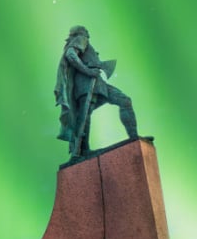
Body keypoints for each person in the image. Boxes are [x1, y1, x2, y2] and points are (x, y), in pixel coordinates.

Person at [54, 25, 138, 160]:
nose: (88, 33)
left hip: (97, 83)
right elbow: (71, 54)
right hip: (87, 84)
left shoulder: (84, 43)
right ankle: (82, 151)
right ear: (82, 33)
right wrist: (88, 71)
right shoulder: (80, 39)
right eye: (86, 31)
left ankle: (134, 138)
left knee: (123, 101)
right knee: (84, 116)